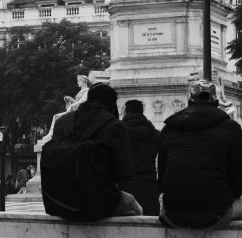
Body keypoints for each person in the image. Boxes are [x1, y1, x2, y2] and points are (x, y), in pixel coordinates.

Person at [158, 79, 242, 229]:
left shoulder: (168, 129)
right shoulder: (230, 128)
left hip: (172, 214)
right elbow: (240, 184)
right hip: (216, 214)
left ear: (189, 100)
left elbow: (161, 180)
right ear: (216, 101)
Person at [43, 83, 143, 220]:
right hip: (93, 201)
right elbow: (123, 174)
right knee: (134, 206)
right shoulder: (115, 126)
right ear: (112, 105)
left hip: (58, 201)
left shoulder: (62, 121)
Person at [120, 100, 161, 216]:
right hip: (149, 184)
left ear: (126, 112)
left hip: (125, 185)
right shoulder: (155, 134)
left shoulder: (119, 133)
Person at [43, 75, 91, 141]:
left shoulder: (87, 90)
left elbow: (83, 100)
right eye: (78, 81)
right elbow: (76, 103)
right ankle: (51, 135)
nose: (78, 83)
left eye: (79, 81)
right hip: (75, 111)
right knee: (56, 116)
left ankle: (51, 135)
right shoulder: (80, 92)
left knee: (56, 117)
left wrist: (72, 105)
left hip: (80, 113)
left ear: (84, 82)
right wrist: (69, 100)